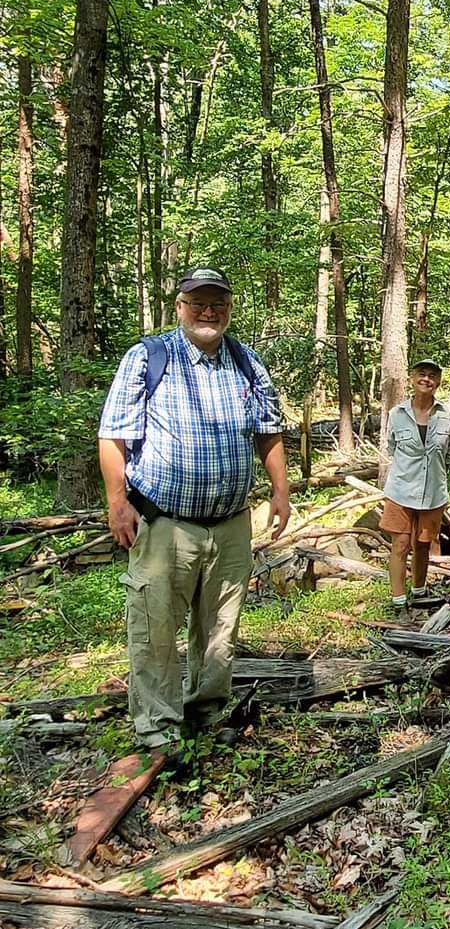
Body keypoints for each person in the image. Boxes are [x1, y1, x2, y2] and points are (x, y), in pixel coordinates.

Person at [98, 266, 291, 753]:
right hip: (165, 524)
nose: (209, 311)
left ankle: (205, 713)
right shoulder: (148, 358)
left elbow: (268, 432)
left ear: (228, 307)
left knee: (220, 629)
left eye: (218, 303)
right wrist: (117, 503)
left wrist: (281, 491)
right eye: (199, 302)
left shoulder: (247, 363)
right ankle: (160, 730)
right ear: (180, 307)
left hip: (230, 525)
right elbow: (113, 434)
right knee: (156, 630)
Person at [380, 359, 450, 608]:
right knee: (401, 544)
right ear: (413, 379)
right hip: (400, 490)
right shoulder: (397, 414)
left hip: (433, 490)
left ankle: (419, 591)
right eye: (422, 374)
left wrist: (437, 469)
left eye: (432, 376)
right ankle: (398, 600)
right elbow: (392, 447)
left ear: (438, 382)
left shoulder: (449, 413)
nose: (427, 379)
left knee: (423, 544)